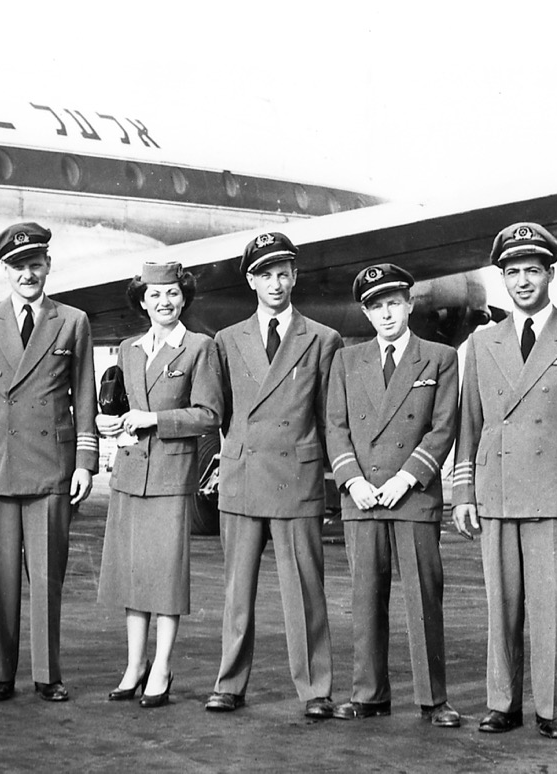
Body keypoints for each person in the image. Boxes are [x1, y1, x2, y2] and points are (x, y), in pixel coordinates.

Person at [453, 222, 557, 740]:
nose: (522, 281)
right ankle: (502, 704)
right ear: (502, 278)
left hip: (555, 494)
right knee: (501, 608)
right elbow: (469, 422)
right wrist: (463, 491)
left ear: (550, 273)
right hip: (497, 489)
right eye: (511, 272)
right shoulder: (481, 343)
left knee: (548, 608)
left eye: (531, 270)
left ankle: (549, 708)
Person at [0, 222, 98, 702]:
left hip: (51, 468)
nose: (28, 274)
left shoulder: (72, 320)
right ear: (5, 271)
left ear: (49, 266)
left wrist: (84, 462)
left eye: (36, 264)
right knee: (0, 578)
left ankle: (48, 675)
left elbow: (85, 398)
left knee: (48, 578)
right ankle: (0, 673)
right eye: (19, 266)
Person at [205, 231, 341, 717]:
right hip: (243, 479)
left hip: (295, 479)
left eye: (283, 272)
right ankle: (229, 683)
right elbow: (217, 412)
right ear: (250, 281)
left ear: (295, 275)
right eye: (265, 274)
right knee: (236, 592)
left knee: (305, 592)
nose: (276, 282)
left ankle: (315, 690)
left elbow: (330, 417)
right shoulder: (226, 340)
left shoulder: (324, 339)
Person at [325, 263, 461, 727]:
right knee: (365, 600)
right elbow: (335, 428)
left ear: (409, 304)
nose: (385, 314)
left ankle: (432, 699)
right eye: (375, 306)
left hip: (413, 497)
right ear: (365, 313)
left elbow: (443, 428)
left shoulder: (439, 358)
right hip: (361, 499)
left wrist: (406, 478)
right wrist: (354, 482)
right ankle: (369, 694)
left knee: (424, 600)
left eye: (393, 303)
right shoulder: (346, 361)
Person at [96, 262, 221, 708]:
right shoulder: (129, 349)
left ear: (183, 298)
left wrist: (155, 419)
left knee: (165, 576)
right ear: (142, 301)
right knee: (132, 576)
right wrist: (109, 424)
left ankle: (162, 667)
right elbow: (125, 405)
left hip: (171, 475)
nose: (163, 302)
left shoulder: (199, 347)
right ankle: (134, 665)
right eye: (154, 295)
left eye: (171, 293)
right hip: (130, 474)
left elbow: (209, 415)